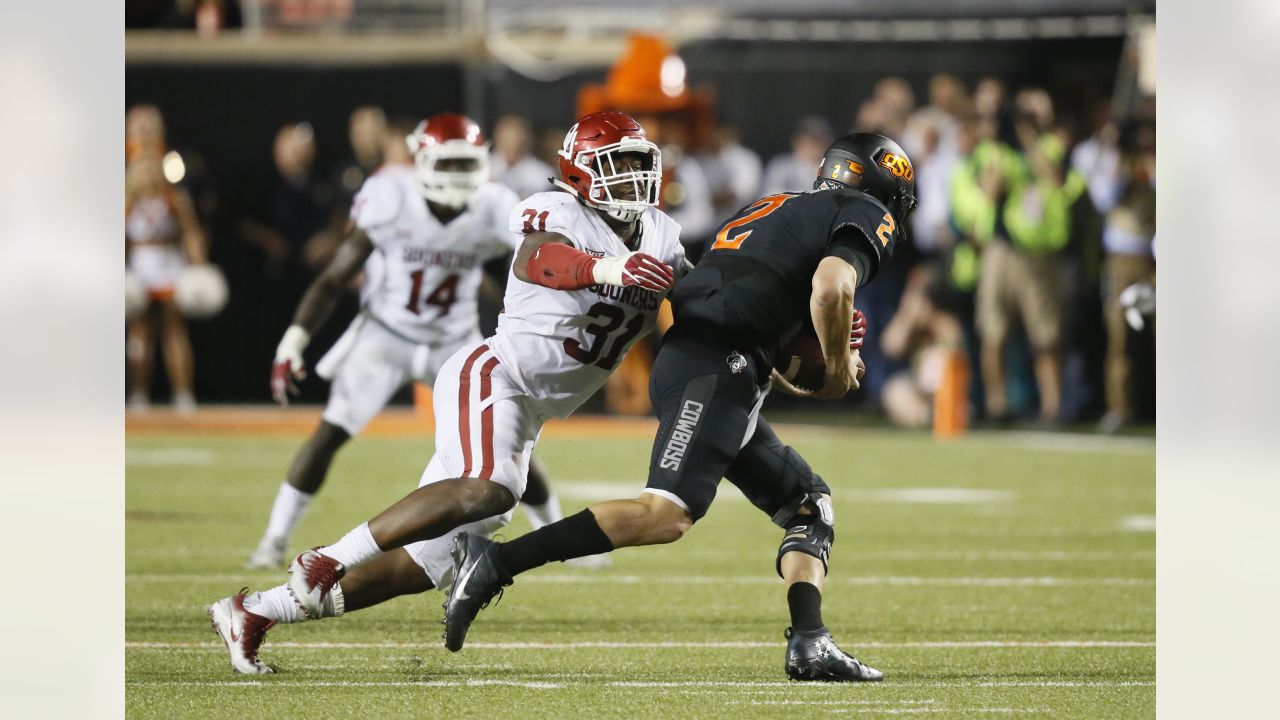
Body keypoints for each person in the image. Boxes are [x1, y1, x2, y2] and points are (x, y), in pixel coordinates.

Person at [211, 111, 685, 674]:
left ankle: (256, 611)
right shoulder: (559, 210)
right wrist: (609, 266)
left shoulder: (663, 234)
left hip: (531, 410)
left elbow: (701, 301)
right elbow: (540, 260)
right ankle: (328, 556)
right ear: (580, 172)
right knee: (490, 489)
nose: (631, 176)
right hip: (494, 374)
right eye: (617, 163)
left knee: (420, 568)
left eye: (638, 163)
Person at [443, 133, 918, 683]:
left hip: (718, 359)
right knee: (666, 515)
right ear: (888, 189)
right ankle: (495, 562)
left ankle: (810, 641)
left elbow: (752, 304)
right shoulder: (866, 213)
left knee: (808, 506)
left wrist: (807, 345)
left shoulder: (777, 205)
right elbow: (832, 288)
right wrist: (835, 367)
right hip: (716, 363)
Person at [244, 113, 573, 569]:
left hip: (453, 341)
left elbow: (525, 269)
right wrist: (293, 341)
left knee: (505, 440)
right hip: (387, 335)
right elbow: (336, 276)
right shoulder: (389, 196)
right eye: (449, 164)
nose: (458, 175)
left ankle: (556, 535)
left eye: (466, 164)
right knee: (329, 433)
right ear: (422, 160)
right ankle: (272, 539)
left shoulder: (495, 205)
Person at [126, 156, 208, 412]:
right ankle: (139, 394)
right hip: (140, 268)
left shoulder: (174, 198)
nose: (148, 176)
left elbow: (191, 232)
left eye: (153, 170)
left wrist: (198, 265)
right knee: (141, 332)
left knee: (174, 331)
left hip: (170, 265)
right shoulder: (127, 203)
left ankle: (183, 394)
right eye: (143, 170)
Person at [489, 113, 555, 200]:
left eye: (515, 138)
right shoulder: (483, 166)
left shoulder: (543, 174)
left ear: (527, 141)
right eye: (505, 139)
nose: (510, 144)